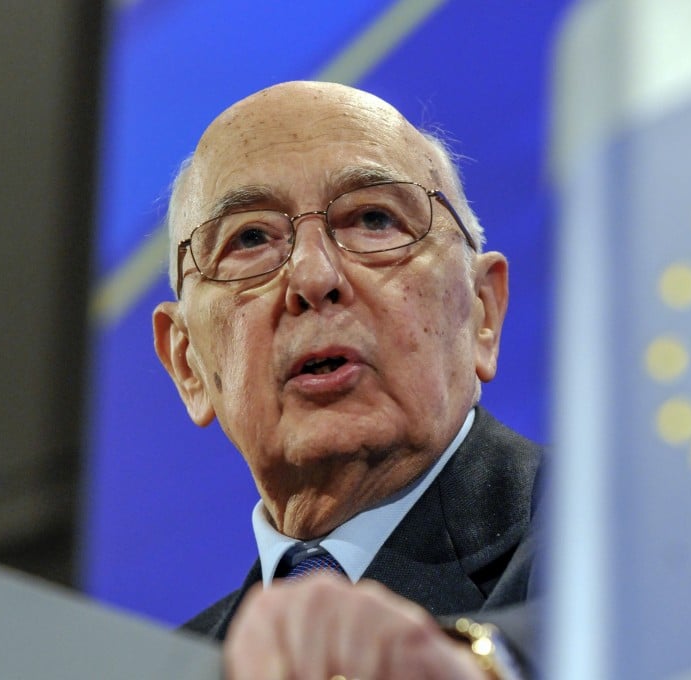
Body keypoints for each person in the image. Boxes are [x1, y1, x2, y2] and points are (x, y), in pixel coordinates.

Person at [152, 80, 541, 679]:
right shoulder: (171, 665)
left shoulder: (616, 537)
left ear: (483, 313)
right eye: (250, 238)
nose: (312, 276)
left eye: (373, 219)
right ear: (187, 365)